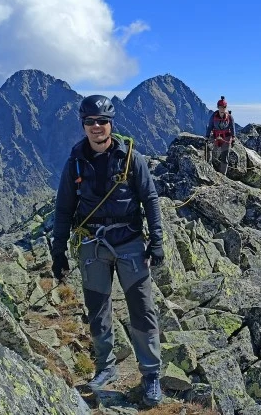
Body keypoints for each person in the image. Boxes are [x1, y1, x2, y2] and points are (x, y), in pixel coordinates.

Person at [50, 95, 164, 407]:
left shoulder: (130, 159)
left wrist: (156, 241)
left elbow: (150, 199)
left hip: (129, 242)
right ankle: (106, 367)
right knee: (97, 308)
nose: (96, 126)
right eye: (90, 121)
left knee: (142, 308)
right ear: (83, 124)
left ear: (111, 124)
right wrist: (58, 252)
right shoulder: (74, 163)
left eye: (102, 121)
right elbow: (63, 209)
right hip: (92, 245)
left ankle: (151, 374)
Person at [205, 96, 237, 174]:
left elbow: (232, 128)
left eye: (224, 107)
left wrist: (233, 138)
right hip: (216, 137)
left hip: (226, 138)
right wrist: (207, 136)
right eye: (221, 107)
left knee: (224, 157)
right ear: (218, 107)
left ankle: (223, 175)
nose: (222, 109)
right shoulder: (213, 116)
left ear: (226, 107)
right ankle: (209, 169)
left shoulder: (229, 117)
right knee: (209, 149)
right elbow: (210, 127)